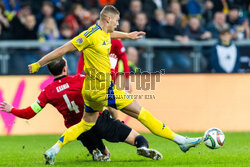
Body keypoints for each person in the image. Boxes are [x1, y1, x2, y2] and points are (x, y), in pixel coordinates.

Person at [28, 5, 202, 165]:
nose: (118, 24)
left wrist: (127, 35)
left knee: (85, 125)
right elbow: (62, 49)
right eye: (117, 21)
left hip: (91, 91)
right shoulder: (88, 36)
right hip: (103, 89)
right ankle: (181, 141)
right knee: (141, 113)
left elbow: (108, 35)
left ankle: (54, 150)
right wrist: (38, 64)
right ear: (108, 19)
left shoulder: (101, 33)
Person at [1, 58, 162, 164]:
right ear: (65, 68)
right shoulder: (80, 79)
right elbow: (106, 82)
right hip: (97, 120)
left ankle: (96, 152)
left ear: (52, 72)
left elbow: (29, 113)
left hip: (76, 129)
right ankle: (143, 147)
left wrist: (11, 109)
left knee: (105, 155)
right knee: (138, 138)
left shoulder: (47, 92)